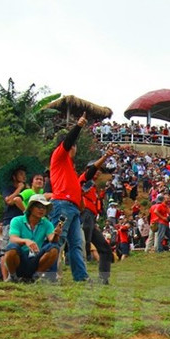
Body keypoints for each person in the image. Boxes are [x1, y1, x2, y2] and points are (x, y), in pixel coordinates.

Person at [48, 113, 91, 281]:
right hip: (62, 204)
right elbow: (67, 141)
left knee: (76, 244)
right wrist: (78, 126)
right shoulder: (59, 156)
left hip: (72, 207)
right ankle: (50, 273)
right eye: (74, 146)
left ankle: (80, 276)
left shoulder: (69, 167)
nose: (75, 149)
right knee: (57, 240)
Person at [1, 194, 62, 282]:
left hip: (35, 259)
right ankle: (13, 276)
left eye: (44, 207)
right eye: (38, 206)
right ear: (31, 208)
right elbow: (13, 239)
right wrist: (26, 241)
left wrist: (56, 234)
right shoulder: (17, 220)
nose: (41, 209)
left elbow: (52, 240)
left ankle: (36, 276)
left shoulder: (47, 223)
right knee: (12, 248)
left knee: (54, 248)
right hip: (20, 259)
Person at [79, 147, 116, 284]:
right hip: (84, 215)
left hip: (91, 218)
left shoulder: (94, 187)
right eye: (97, 169)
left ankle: (103, 279)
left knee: (105, 248)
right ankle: (81, 276)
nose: (98, 172)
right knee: (84, 246)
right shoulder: (84, 180)